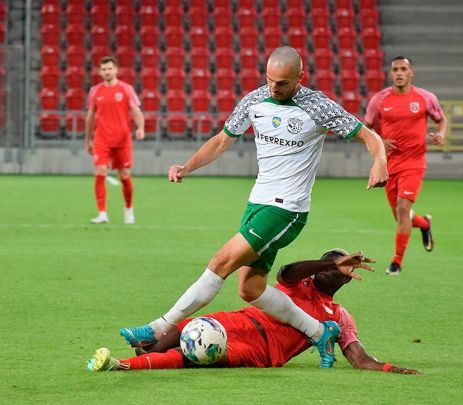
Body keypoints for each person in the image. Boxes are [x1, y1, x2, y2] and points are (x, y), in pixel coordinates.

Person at [120, 46, 388, 368]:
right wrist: (187, 167)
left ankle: (157, 327)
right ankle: (320, 332)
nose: (274, 87)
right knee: (251, 288)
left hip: (287, 209)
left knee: (220, 262)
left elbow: (369, 136)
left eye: (283, 83)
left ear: (300, 77)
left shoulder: (318, 107)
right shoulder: (254, 100)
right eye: (270, 80)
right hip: (257, 203)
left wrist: (379, 161)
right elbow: (222, 139)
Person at [88, 249, 420, 374]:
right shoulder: (299, 282)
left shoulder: (339, 316)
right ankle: (149, 349)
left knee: (194, 355)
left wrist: (388, 367)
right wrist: (328, 263)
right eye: (325, 263)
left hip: (261, 350)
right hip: (242, 320)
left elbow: (359, 358)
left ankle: (123, 365)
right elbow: (286, 271)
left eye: (336, 266)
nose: (328, 268)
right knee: (189, 326)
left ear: (347, 278)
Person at [364, 56, 447, 276]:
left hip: (414, 162)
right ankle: (424, 224)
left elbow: (441, 119)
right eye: (395, 70)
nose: (399, 73)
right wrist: (380, 140)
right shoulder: (379, 100)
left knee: (403, 210)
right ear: (391, 74)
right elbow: (366, 128)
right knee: (401, 216)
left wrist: (441, 134)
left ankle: (396, 262)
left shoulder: (425, 98)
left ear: (411, 73)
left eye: (403, 69)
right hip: (389, 164)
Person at [85, 56, 145, 224]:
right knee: (100, 172)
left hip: (122, 140)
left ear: (116, 70)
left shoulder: (126, 89)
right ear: (100, 72)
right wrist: (87, 139)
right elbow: (90, 117)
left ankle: (128, 209)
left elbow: (136, 111)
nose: (107, 72)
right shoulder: (95, 91)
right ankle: (102, 213)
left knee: (124, 175)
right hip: (101, 139)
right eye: (104, 69)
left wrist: (140, 128)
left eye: (110, 68)